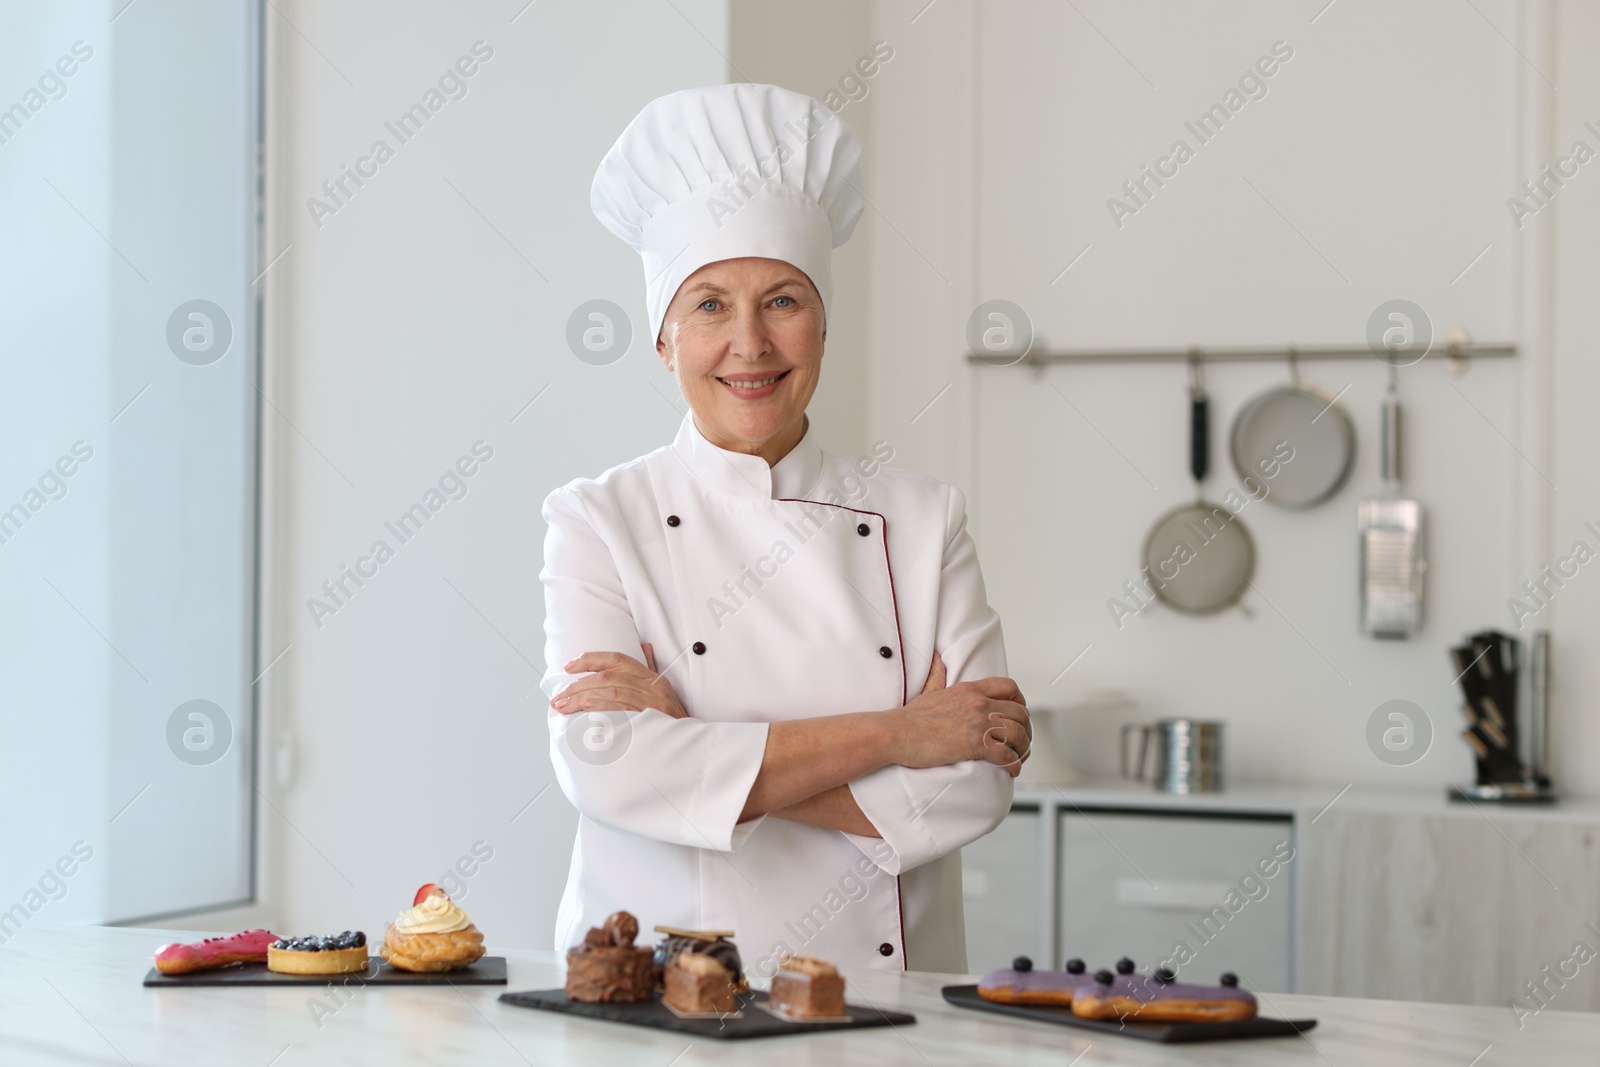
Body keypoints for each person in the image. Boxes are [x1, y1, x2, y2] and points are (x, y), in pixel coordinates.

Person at [540, 83, 1030, 979]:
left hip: (889, 1008)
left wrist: (695, 734)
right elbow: (609, 770)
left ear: (825, 324)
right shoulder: (596, 520)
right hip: (662, 1003)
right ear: (662, 339)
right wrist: (899, 734)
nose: (751, 344)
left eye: (783, 300)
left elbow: (974, 780)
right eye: (710, 305)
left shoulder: (924, 520)